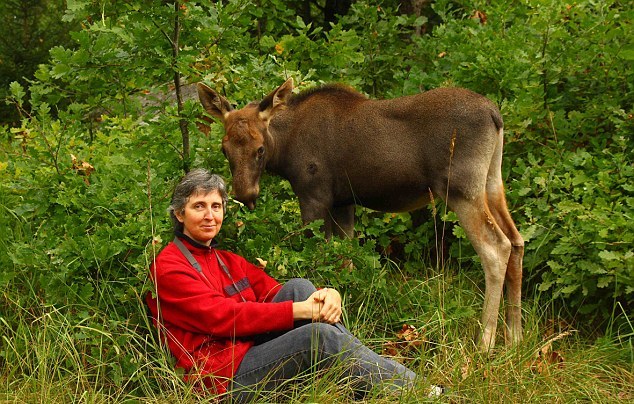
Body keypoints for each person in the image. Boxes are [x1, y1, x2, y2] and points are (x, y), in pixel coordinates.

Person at [146, 168, 429, 402]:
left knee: (299, 286)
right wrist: (302, 312)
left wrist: (328, 294)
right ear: (180, 214)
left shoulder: (226, 260)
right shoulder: (168, 267)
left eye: (216, 206)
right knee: (318, 337)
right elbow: (223, 318)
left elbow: (277, 292)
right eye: (199, 206)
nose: (210, 215)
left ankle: (365, 380)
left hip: (248, 350)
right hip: (223, 380)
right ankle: (415, 392)